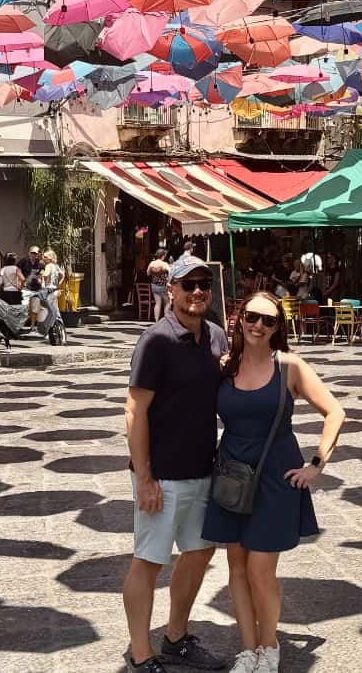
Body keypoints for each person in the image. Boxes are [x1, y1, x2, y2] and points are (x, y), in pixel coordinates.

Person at [203, 293, 345, 673]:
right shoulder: (225, 366)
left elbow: (335, 411)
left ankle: (270, 646)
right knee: (235, 566)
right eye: (252, 317)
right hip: (232, 473)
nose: (258, 326)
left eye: (268, 321)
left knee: (261, 569)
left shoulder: (289, 367)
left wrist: (317, 464)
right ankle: (248, 650)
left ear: (277, 327)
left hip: (275, 472)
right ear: (240, 319)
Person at [122, 255, 229, 673]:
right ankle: (140, 652)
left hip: (204, 469)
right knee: (148, 560)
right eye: (189, 285)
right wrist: (144, 476)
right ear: (172, 291)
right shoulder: (156, 341)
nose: (198, 291)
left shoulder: (217, 337)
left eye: (204, 284)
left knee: (200, 551)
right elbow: (135, 411)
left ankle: (176, 637)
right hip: (162, 475)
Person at [147, 249, 171, 321]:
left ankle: (156, 320)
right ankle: (166, 320)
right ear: (163, 256)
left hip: (154, 285)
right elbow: (171, 273)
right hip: (163, 286)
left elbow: (148, 273)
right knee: (167, 302)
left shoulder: (152, 263)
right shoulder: (164, 264)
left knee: (157, 303)